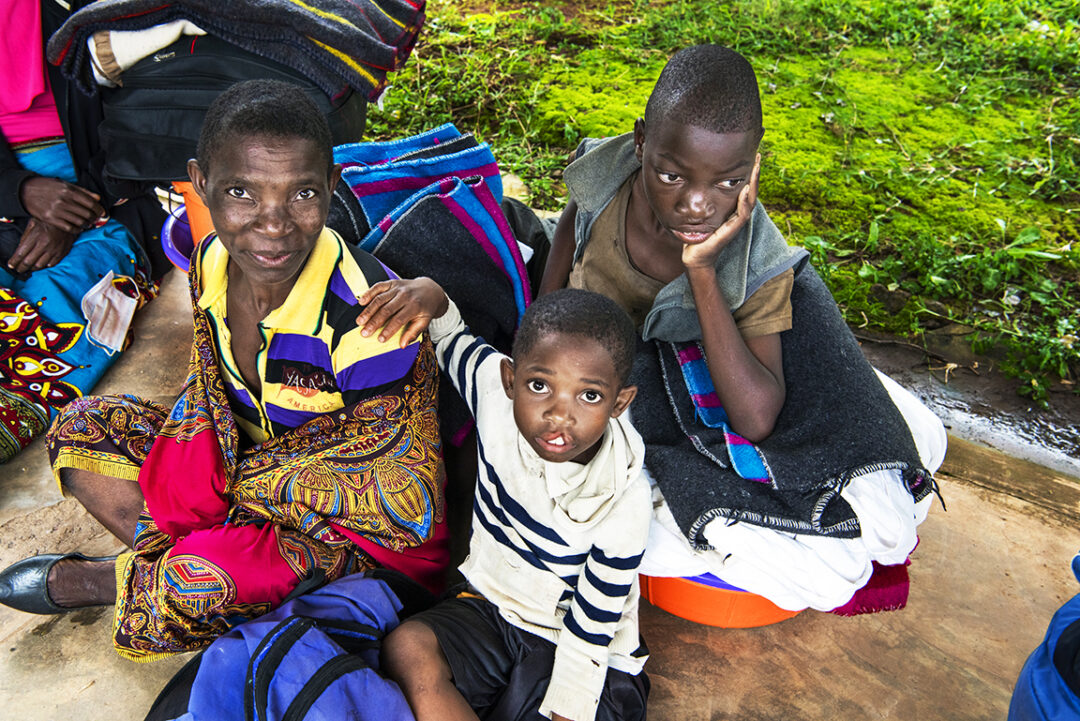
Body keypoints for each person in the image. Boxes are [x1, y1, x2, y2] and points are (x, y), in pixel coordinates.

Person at [0, 79, 449, 660]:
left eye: (302, 194)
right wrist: (200, 470)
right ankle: (169, 561)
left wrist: (221, 491)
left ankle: (118, 577)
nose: (274, 225)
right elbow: (206, 391)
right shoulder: (210, 259)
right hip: (242, 472)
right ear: (202, 184)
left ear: (331, 187)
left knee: (201, 580)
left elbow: (395, 496)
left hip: (353, 538)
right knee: (82, 426)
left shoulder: (369, 322)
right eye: (241, 192)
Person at [538, 44, 946, 612]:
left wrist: (702, 269)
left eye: (728, 182)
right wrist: (539, 321)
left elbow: (756, 418)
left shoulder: (755, 262)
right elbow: (568, 233)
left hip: (686, 365)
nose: (697, 204)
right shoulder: (603, 177)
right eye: (670, 174)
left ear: (753, 169)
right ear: (639, 143)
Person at [371, 287, 651, 721]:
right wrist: (434, 294)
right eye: (540, 386)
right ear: (509, 379)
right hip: (492, 609)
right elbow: (450, 337)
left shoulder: (625, 502)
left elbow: (593, 626)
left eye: (589, 396)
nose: (560, 415)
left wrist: (567, 711)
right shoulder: (493, 394)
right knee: (407, 647)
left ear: (619, 403)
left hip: (573, 644)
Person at [0, 0, 160, 462]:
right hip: (10, 203)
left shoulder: (90, 13)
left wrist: (73, 209)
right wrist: (22, 190)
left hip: (106, 207)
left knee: (71, 302)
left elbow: (147, 125)